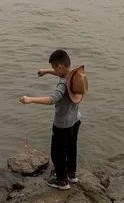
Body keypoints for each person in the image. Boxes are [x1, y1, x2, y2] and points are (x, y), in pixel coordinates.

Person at [19, 49, 86, 190]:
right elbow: (62, 73)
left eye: (54, 67)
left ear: (60, 66)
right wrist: (47, 71)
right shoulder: (74, 75)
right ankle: (71, 174)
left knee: (57, 153)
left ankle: (61, 181)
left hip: (62, 125)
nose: (54, 70)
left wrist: (30, 99)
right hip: (75, 121)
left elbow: (51, 99)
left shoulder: (62, 84)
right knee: (71, 148)